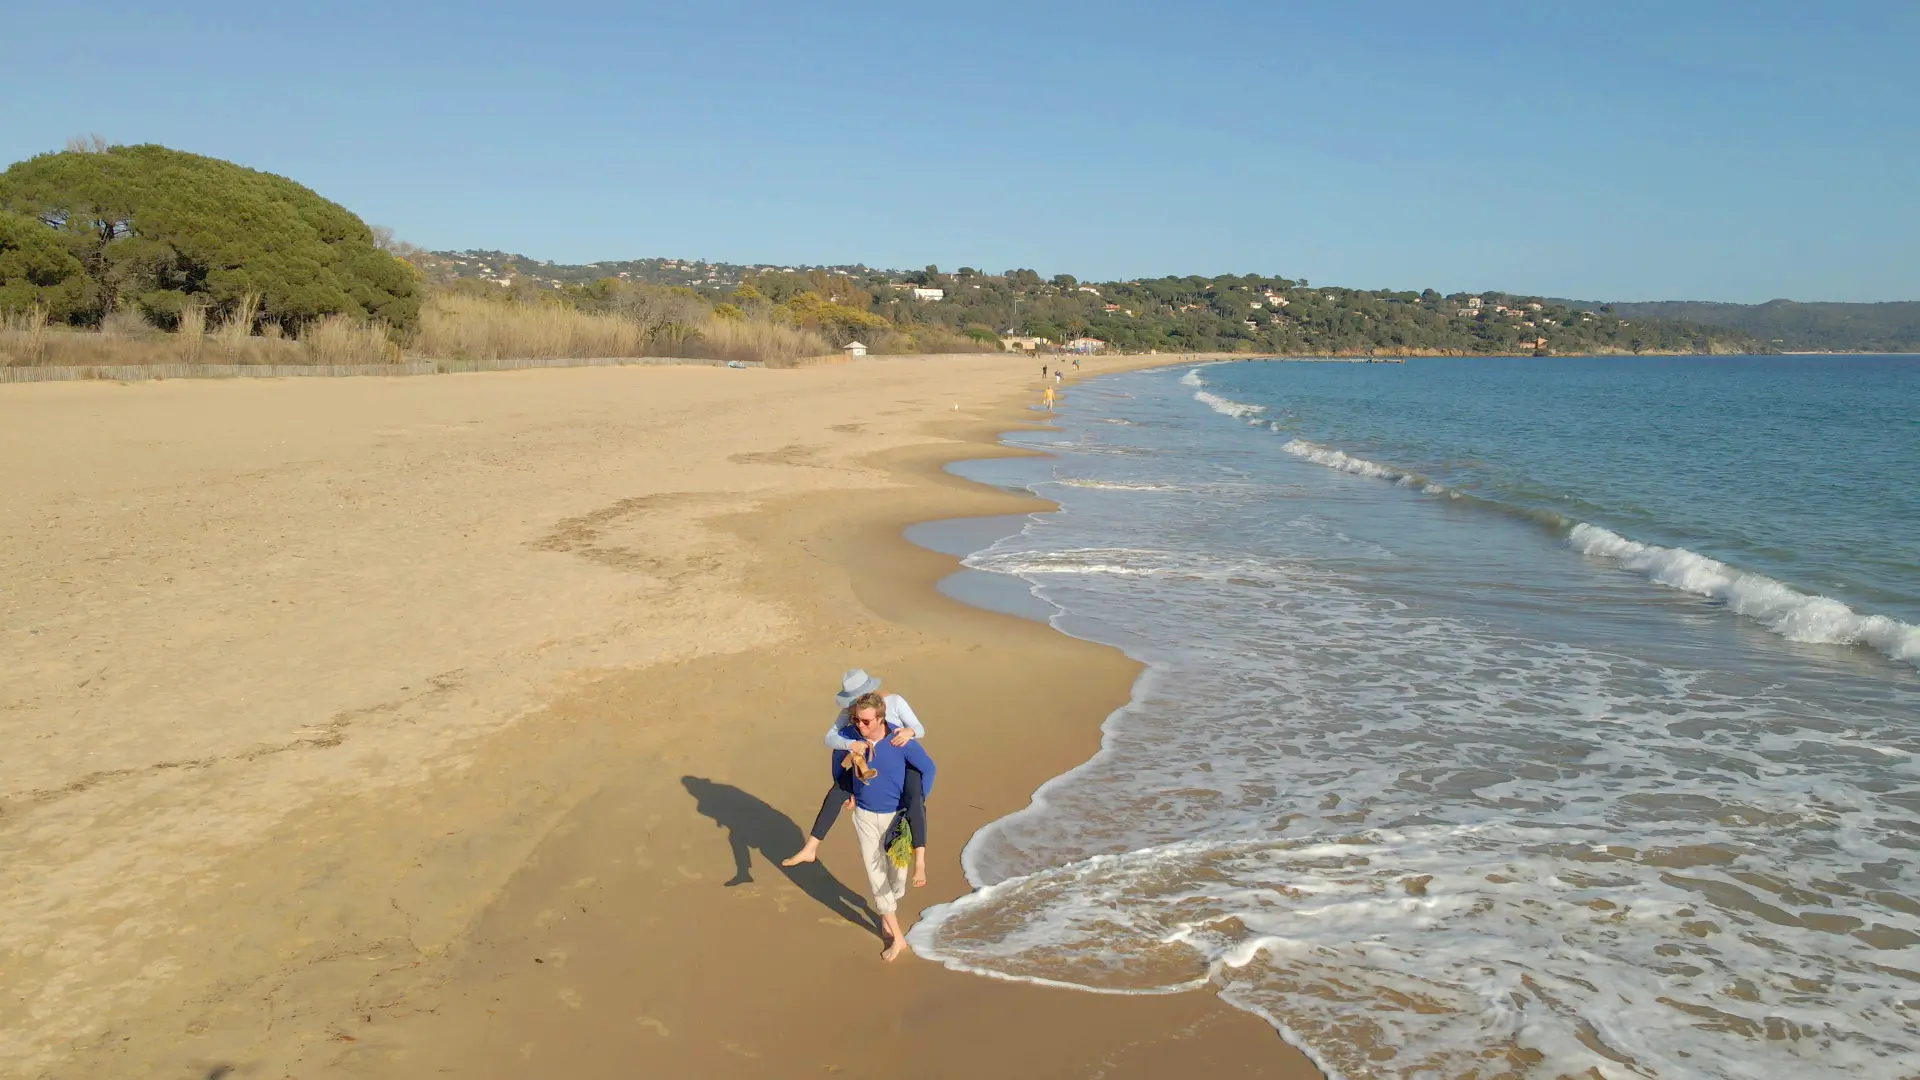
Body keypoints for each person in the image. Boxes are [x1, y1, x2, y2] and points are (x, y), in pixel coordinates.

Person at [782, 670, 929, 886]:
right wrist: (850, 746)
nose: (854, 707)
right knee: (837, 790)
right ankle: (811, 847)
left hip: (903, 761)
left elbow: (920, 729)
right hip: (869, 761)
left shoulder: (895, 702)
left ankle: (920, 864)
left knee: (915, 801)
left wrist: (909, 732)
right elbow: (831, 738)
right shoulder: (852, 712)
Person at [830, 692, 936, 960]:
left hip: (896, 819)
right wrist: (848, 791)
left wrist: (917, 803)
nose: (861, 726)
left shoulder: (901, 742)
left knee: (897, 881)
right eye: (858, 720)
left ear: (881, 718)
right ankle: (898, 938)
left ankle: (886, 908)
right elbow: (837, 764)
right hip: (864, 817)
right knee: (876, 875)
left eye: (866, 722)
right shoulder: (852, 738)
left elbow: (929, 769)